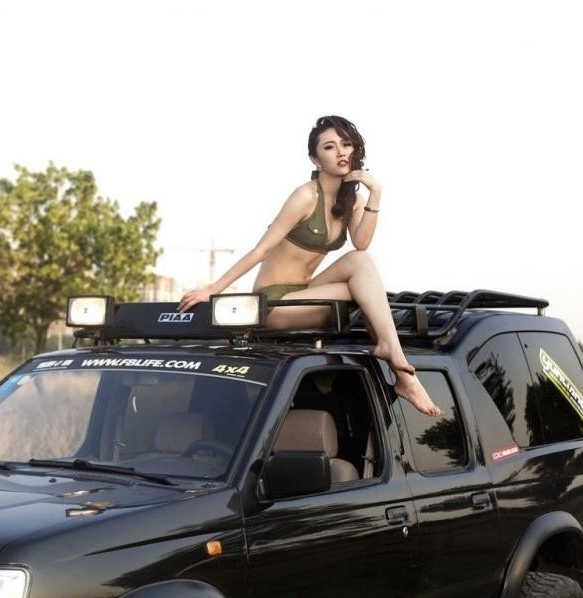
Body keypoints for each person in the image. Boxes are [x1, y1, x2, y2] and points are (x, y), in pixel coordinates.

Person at [178, 115, 441, 416]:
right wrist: (213, 289)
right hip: (275, 303)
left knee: (360, 263)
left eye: (346, 144)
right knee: (365, 290)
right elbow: (262, 249)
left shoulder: (352, 201)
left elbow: (361, 243)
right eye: (329, 147)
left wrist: (376, 194)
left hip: (306, 292)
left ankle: (393, 356)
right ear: (315, 159)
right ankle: (400, 367)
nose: (340, 152)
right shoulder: (305, 196)